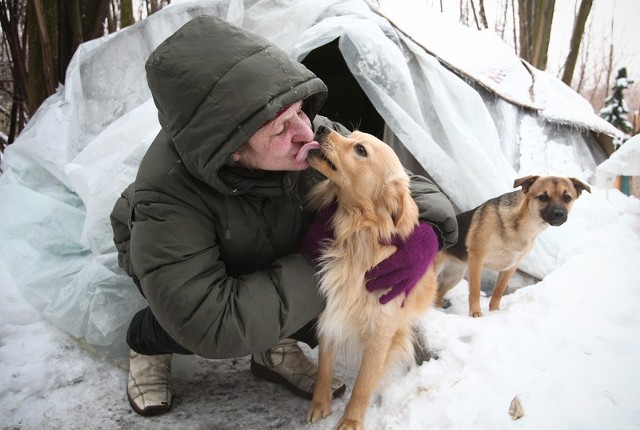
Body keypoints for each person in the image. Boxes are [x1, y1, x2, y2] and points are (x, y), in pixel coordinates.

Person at [110, 16, 458, 417]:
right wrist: (330, 263)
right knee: (222, 326)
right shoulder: (168, 196)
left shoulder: (309, 136)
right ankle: (146, 340)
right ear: (232, 150)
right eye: (279, 128)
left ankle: (273, 344)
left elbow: (399, 181)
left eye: (299, 111)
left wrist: (426, 230)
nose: (304, 133)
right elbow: (212, 321)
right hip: (195, 281)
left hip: (269, 251)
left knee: (341, 314)